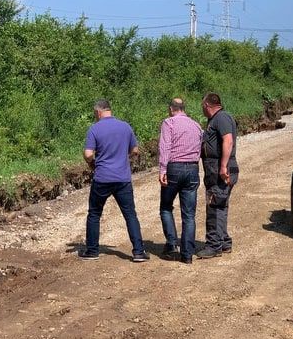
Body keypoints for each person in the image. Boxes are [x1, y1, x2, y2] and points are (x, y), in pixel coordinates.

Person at [80, 99, 148, 262]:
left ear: (98, 112)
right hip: (122, 178)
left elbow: (88, 154)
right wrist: (123, 158)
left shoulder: (95, 129)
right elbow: (135, 150)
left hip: (102, 178)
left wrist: (92, 163)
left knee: (94, 214)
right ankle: (139, 252)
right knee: (130, 214)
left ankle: (92, 251)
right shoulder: (125, 126)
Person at [158, 98, 203, 264]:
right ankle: (187, 254)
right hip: (192, 168)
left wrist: (163, 169)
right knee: (189, 215)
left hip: (174, 168)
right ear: (183, 108)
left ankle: (171, 245)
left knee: (165, 207)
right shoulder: (196, 125)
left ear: (171, 109)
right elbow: (200, 147)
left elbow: (165, 147)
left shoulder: (168, 123)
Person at [196, 92, 239, 259]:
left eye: (202, 106)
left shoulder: (221, 118)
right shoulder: (218, 118)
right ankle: (224, 242)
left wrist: (222, 166)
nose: (202, 109)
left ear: (207, 105)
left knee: (214, 206)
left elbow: (228, 140)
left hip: (220, 169)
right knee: (220, 205)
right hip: (217, 168)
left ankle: (214, 246)